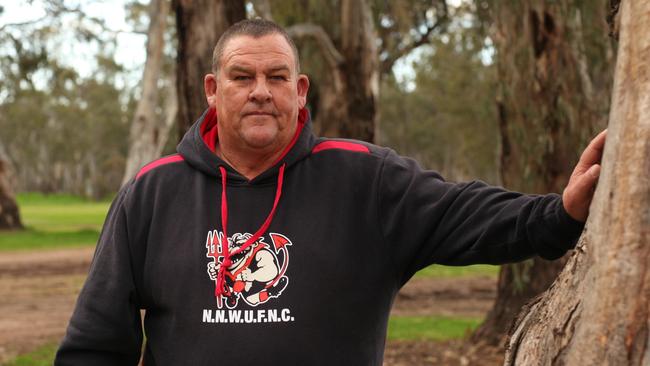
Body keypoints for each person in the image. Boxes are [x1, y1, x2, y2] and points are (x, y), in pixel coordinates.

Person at [55, 19, 606, 366]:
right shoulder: (153, 192)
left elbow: (467, 213)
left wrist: (559, 212)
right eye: (243, 77)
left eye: (276, 77)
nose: (260, 93)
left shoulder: (363, 179)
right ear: (213, 89)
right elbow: (96, 344)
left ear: (299, 91)